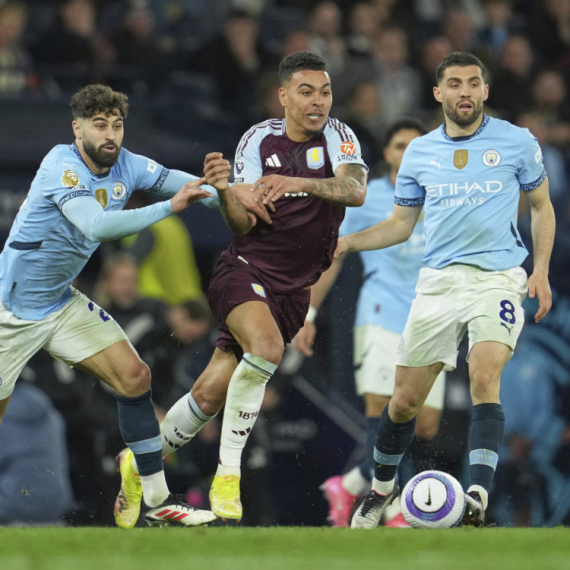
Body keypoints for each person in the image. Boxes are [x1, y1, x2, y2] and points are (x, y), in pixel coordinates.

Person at [114, 50, 368, 526]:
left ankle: (139, 460)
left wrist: (296, 182)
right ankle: (226, 476)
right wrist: (227, 191)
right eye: (307, 92)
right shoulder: (258, 139)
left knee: (210, 395)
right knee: (266, 348)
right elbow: (241, 221)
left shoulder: (339, 136)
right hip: (246, 269)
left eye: (325, 92)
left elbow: (354, 190)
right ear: (284, 96)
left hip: (294, 290)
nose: (318, 101)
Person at [0, 83, 268, 528]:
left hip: (61, 303)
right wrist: (170, 207)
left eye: (117, 125)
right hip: (9, 310)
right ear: (77, 128)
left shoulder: (128, 164)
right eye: (99, 125)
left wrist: (231, 191)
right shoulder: (61, 165)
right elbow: (97, 225)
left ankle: (157, 500)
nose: (110, 134)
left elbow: (188, 185)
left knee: (134, 376)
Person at [338, 51, 554, 529]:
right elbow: (400, 224)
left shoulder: (517, 141)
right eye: (454, 83)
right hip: (437, 283)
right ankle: (379, 491)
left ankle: (476, 495)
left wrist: (539, 269)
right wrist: (347, 242)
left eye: (473, 83)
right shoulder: (419, 153)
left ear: (485, 90)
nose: (465, 91)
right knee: (403, 403)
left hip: (497, 278)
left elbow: (542, 206)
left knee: (485, 376)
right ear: (438, 93)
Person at [294, 118, 447, 527]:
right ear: (387, 153)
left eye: (415, 146)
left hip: (431, 319)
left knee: (425, 424)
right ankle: (392, 505)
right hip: (381, 314)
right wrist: (309, 312)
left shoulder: (445, 197)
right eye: (400, 146)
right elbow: (333, 254)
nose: (408, 152)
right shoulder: (370, 198)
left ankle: (349, 484)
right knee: (382, 411)